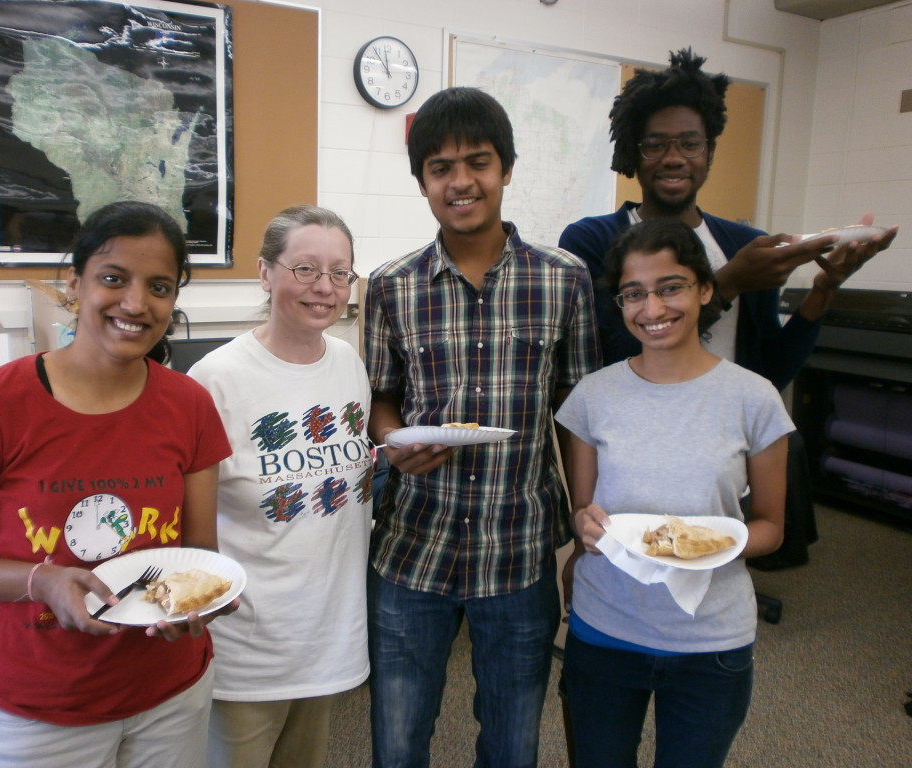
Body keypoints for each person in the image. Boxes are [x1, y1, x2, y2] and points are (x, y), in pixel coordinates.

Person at [0, 201, 234, 768]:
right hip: (40, 707)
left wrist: (208, 599)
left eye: (159, 286)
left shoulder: (189, 404)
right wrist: (42, 582)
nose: (136, 304)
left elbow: (200, 552)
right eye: (113, 279)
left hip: (171, 690)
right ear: (74, 283)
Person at [364, 86, 601, 768]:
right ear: (422, 182)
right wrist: (395, 443)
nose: (461, 181)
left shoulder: (565, 280)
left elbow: (578, 413)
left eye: (478, 161)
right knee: (399, 739)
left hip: (519, 547)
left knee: (512, 741)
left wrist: (585, 528)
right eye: (441, 168)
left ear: (506, 169)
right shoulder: (390, 286)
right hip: (413, 544)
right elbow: (381, 396)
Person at [556, 217, 795, 768]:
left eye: (671, 287)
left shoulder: (752, 399)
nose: (652, 308)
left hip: (711, 639)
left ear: (705, 289)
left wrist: (705, 542)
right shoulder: (594, 396)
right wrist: (583, 525)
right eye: (633, 294)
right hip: (606, 627)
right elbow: (583, 511)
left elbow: (771, 528)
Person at [559, 48, 898, 392]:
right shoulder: (592, 239)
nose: (674, 158)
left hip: (728, 437)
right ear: (635, 153)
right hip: (633, 435)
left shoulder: (743, 244)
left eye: (690, 144)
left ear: (710, 153)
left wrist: (824, 290)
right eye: (656, 145)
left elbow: (771, 373)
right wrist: (729, 283)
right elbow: (605, 360)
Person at [188, 205, 374, 768]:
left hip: (328, 636)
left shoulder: (348, 363)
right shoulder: (216, 380)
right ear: (265, 273)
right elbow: (189, 526)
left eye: (340, 273)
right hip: (247, 647)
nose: (325, 288)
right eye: (305, 269)